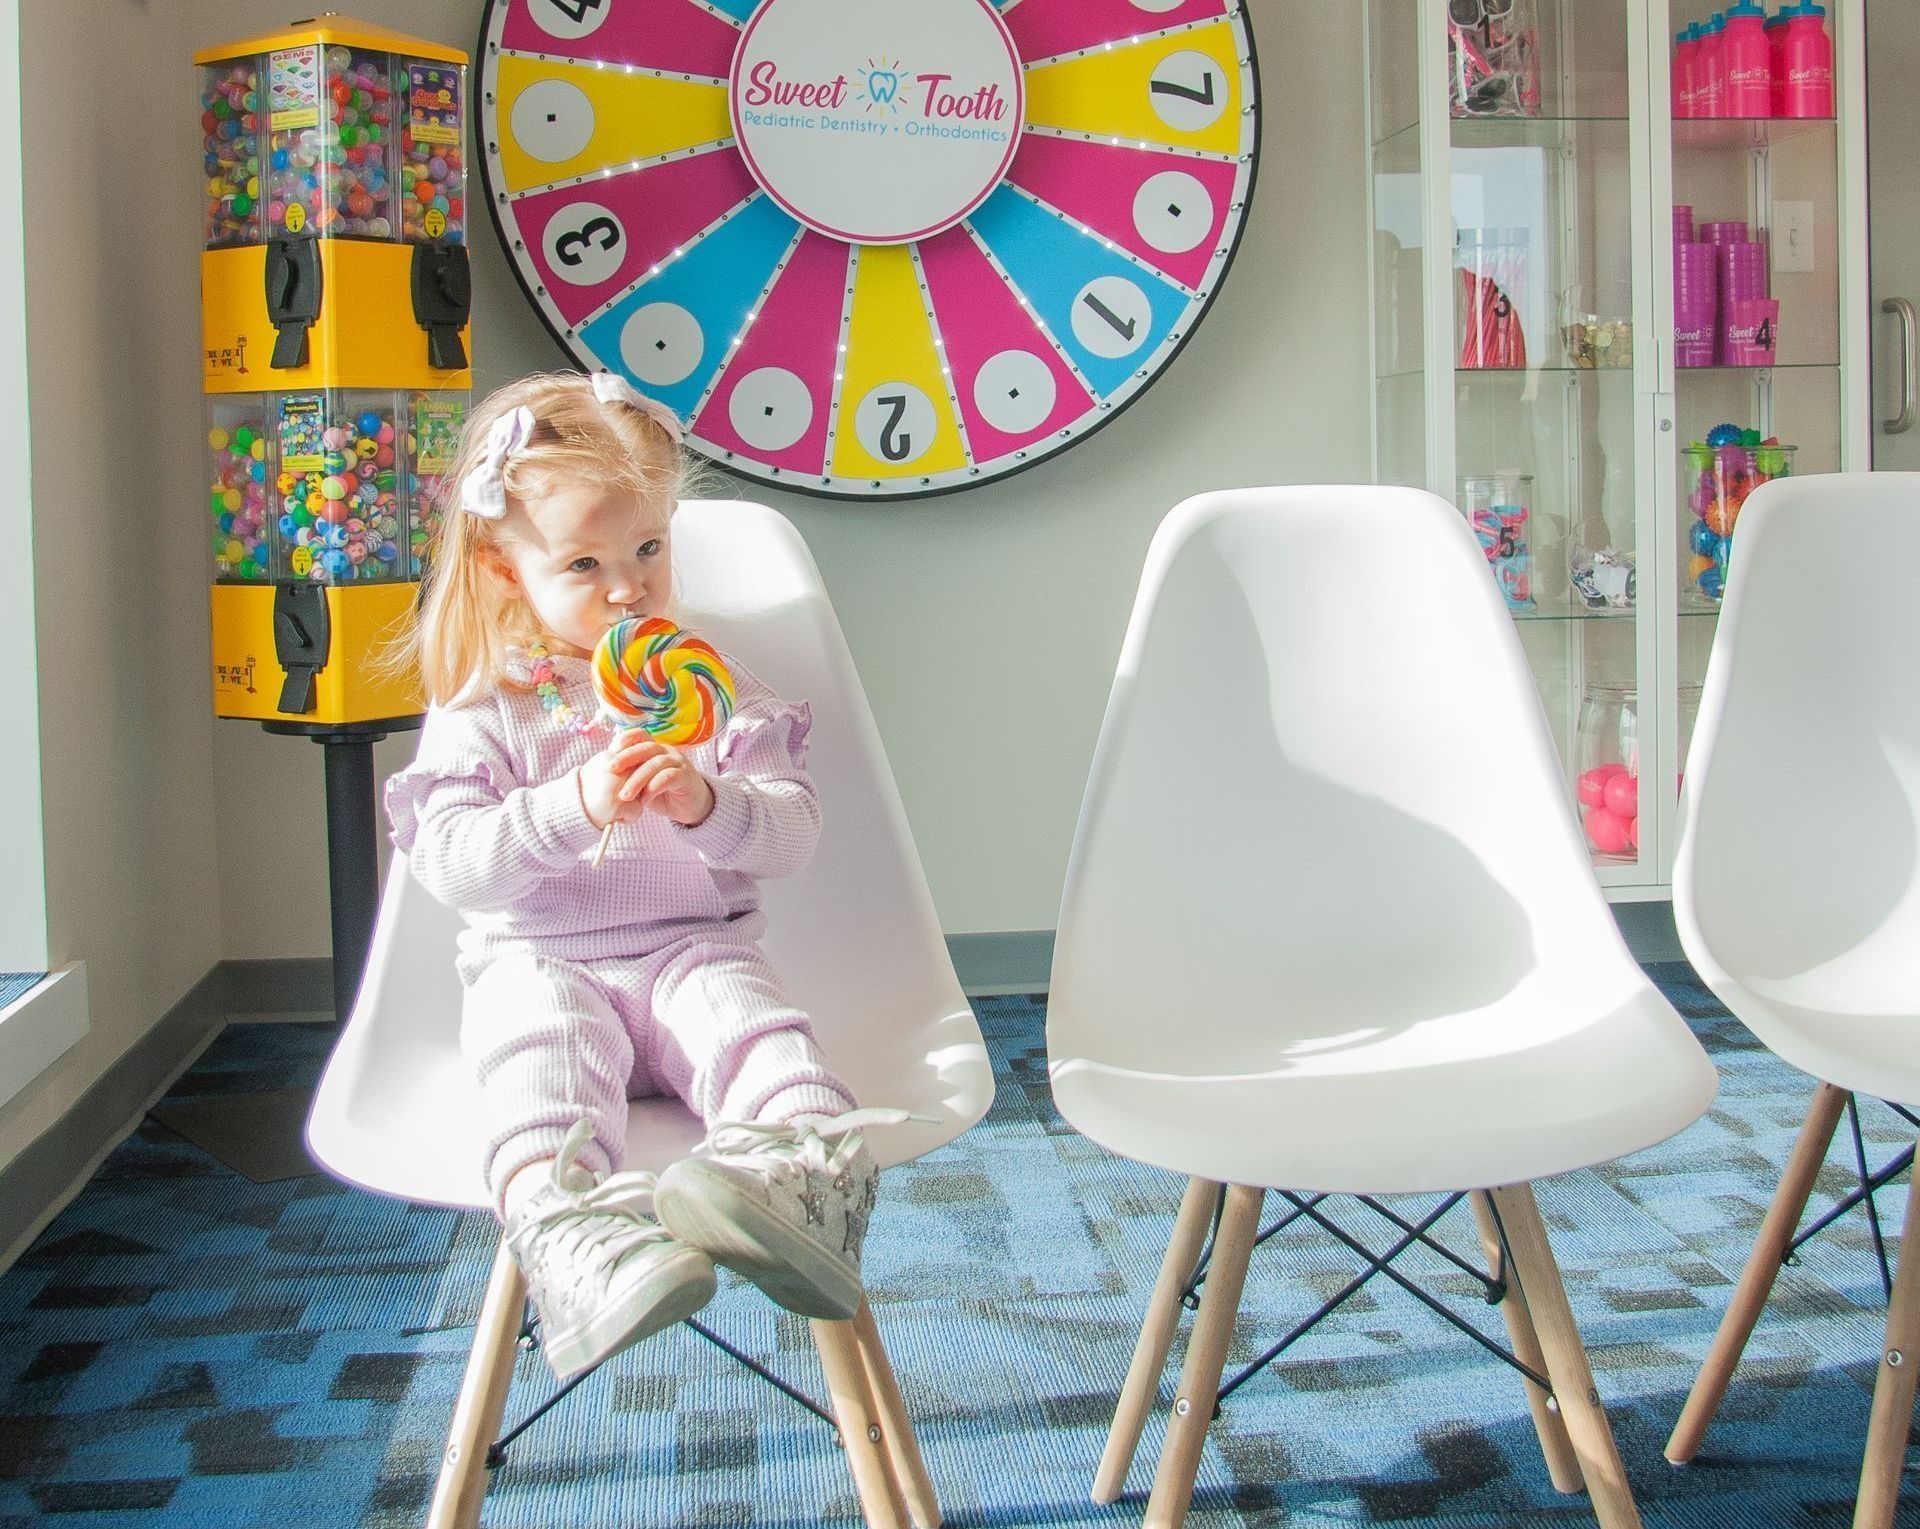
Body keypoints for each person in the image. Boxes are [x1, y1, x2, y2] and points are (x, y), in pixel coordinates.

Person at [384, 371, 894, 1381]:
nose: (630, 586)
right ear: (501, 566)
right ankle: (571, 1233)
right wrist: (572, 803)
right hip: (545, 963)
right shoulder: (485, 705)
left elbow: (790, 833)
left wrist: (707, 804)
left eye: (649, 548)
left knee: (756, 1025)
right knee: (540, 1055)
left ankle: (803, 1181)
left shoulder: (706, 683)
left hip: (687, 948)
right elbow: (452, 862)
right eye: (585, 562)